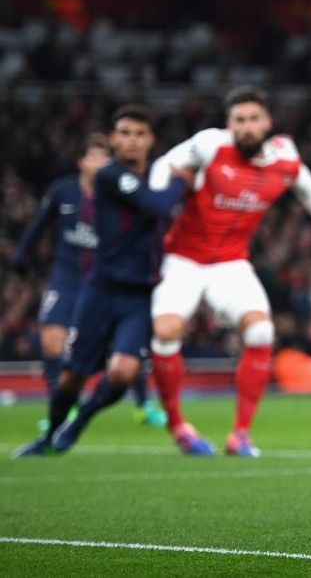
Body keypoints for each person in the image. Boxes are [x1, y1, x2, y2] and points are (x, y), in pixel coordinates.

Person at [147, 85, 311, 458]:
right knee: (166, 332)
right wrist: (150, 208)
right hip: (182, 258)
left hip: (230, 262)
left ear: (267, 122)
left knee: (262, 329)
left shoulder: (284, 157)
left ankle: (241, 435)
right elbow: (161, 166)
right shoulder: (210, 145)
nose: (246, 127)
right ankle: (178, 426)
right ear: (229, 124)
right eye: (239, 121)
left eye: (253, 119)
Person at [13, 105, 189, 457]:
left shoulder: (153, 176)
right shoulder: (111, 175)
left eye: (140, 133)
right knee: (71, 377)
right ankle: (50, 436)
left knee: (123, 372)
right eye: (124, 133)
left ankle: (79, 424)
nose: (132, 140)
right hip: (101, 291)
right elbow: (157, 205)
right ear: (113, 139)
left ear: (151, 139)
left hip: (139, 296)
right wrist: (184, 179)